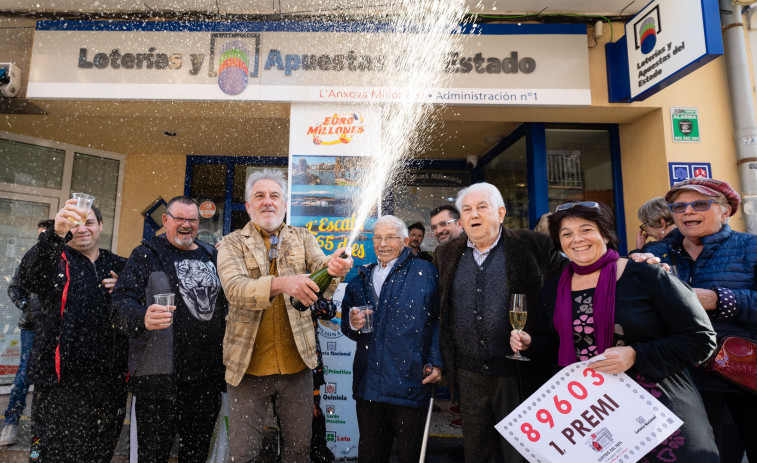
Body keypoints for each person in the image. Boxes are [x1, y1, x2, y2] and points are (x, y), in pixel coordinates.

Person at [510, 201, 719, 462]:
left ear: (605, 234)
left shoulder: (646, 275)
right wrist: (531, 344)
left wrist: (635, 354)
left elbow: (700, 340)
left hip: (660, 414)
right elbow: (557, 349)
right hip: (594, 418)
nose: (577, 239)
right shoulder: (553, 289)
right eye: (566, 234)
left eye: (586, 229)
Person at [217, 169, 352, 463]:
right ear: (248, 205)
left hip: (297, 369)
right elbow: (235, 289)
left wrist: (335, 269)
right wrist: (282, 283)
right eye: (260, 196)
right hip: (247, 368)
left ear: (285, 204)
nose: (268, 202)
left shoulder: (303, 237)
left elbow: (323, 273)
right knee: (243, 454)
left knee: (298, 451)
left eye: (275, 196)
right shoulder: (231, 243)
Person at [433, 183, 567, 463]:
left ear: (501, 213)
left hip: (517, 372)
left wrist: (629, 263)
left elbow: (579, 270)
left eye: (482, 207)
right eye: (467, 209)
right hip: (468, 374)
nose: (473, 214)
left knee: (520, 451)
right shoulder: (446, 254)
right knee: (478, 451)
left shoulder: (533, 245)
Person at [640, 178, 757, 463]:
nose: (688, 212)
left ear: (726, 210)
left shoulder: (750, 247)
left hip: (745, 378)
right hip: (682, 382)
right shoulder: (657, 253)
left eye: (700, 204)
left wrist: (720, 299)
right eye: (679, 206)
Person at [112, 196, 226, 463]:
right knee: (152, 455)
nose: (186, 225)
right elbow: (119, 305)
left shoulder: (212, 256)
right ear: (165, 220)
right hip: (158, 380)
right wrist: (142, 317)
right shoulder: (145, 254)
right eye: (179, 219)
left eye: (192, 220)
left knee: (196, 453)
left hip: (205, 381)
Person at [26, 201, 127, 463]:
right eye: (75, 224)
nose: (83, 229)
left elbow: (146, 298)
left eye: (89, 222)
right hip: (59, 382)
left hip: (107, 381)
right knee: (46, 452)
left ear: (101, 226)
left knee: (99, 452)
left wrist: (125, 292)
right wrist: (55, 234)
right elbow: (28, 277)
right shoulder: (53, 261)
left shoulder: (118, 265)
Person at [341, 215, 442, 463]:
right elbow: (348, 325)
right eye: (377, 238)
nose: (382, 244)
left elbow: (440, 319)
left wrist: (437, 361)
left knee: (411, 456)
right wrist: (352, 323)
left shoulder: (425, 272)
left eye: (390, 237)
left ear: (406, 241)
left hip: (409, 383)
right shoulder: (360, 280)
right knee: (371, 456)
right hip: (369, 388)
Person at [1, 219, 54, 446]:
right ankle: (11, 422)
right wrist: (27, 305)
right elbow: (14, 286)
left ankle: (45, 429)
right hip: (32, 326)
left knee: (55, 376)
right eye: (39, 235)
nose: (41, 240)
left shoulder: (64, 259)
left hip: (58, 327)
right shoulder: (31, 258)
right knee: (25, 374)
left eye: (46, 235)